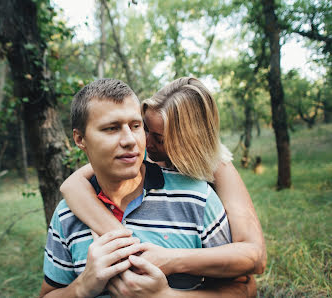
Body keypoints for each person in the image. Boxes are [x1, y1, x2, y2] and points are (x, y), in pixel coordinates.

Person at [39, 78, 256, 297]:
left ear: (187, 145)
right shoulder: (67, 213)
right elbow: (72, 184)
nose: (137, 141)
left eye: (137, 128)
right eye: (112, 128)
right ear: (80, 138)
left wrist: (167, 280)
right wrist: (83, 286)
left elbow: (252, 263)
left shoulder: (201, 192)